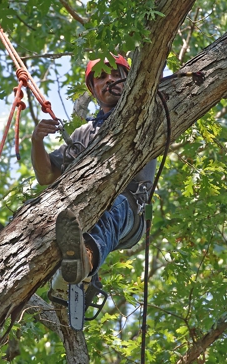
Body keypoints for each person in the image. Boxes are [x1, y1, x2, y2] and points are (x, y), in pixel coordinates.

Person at [31, 54, 157, 294]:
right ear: (93, 88)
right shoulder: (83, 134)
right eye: (101, 77)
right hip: (85, 207)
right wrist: (36, 141)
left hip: (128, 208)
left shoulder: (146, 109)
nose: (109, 80)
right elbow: (46, 176)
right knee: (42, 211)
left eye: (115, 74)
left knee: (111, 205)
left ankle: (84, 261)